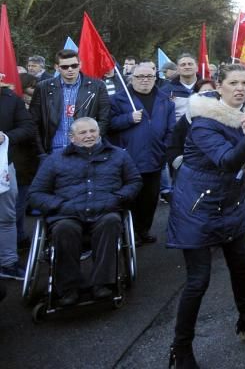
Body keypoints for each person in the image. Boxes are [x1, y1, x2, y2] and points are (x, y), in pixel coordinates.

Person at [166, 63, 245, 368]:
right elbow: (227, 160)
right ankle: (181, 348)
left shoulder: (242, 118)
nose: (240, 88)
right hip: (196, 208)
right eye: (233, 83)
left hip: (229, 205)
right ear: (219, 86)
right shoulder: (204, 121)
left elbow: (237, 161)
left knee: (241, 268)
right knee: (198, 281)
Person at [27, 117, 141, 305]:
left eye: (92, 131)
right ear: (72, 137)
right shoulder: (55, 160)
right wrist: (60, 205)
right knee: (64, 229)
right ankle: (68, 289)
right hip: (68, 213)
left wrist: (118, 198)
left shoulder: (118, 155)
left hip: (105, 210)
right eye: (83, 132)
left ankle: (102, 284)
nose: (89, 135)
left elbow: (134, 181)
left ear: (99, 132)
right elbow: (36, 193)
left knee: (111, 222)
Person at [108, 63, 176, 245]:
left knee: (150, 199)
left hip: (155, 158)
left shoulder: (165, 100)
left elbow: (172, 130)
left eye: (149, 76)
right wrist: (128, 119)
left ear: (155, 78)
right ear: (131, 78)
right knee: (131, 198)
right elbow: (108, 125)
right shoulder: (118, 99)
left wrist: (164, 148)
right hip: (128, 158)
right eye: (140, 76)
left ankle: (143, 230)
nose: (145, 80)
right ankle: (129, 233)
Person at [31, 48, 111, 154]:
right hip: (53, 151)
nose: (70, 69)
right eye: (64, 67)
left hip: (85, 150)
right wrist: (41, 153)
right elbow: (34, 121)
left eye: (74, 65)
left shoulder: (97, 86)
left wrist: (91, 142)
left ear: (80, 65)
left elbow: (104, 119)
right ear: (57, 67)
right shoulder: (43, 87)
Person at [1, 80, 35, 279]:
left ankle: (8, 263)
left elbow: (27, 127)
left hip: (5, 167)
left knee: (6, 218)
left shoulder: (11, 99)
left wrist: (5, 137)